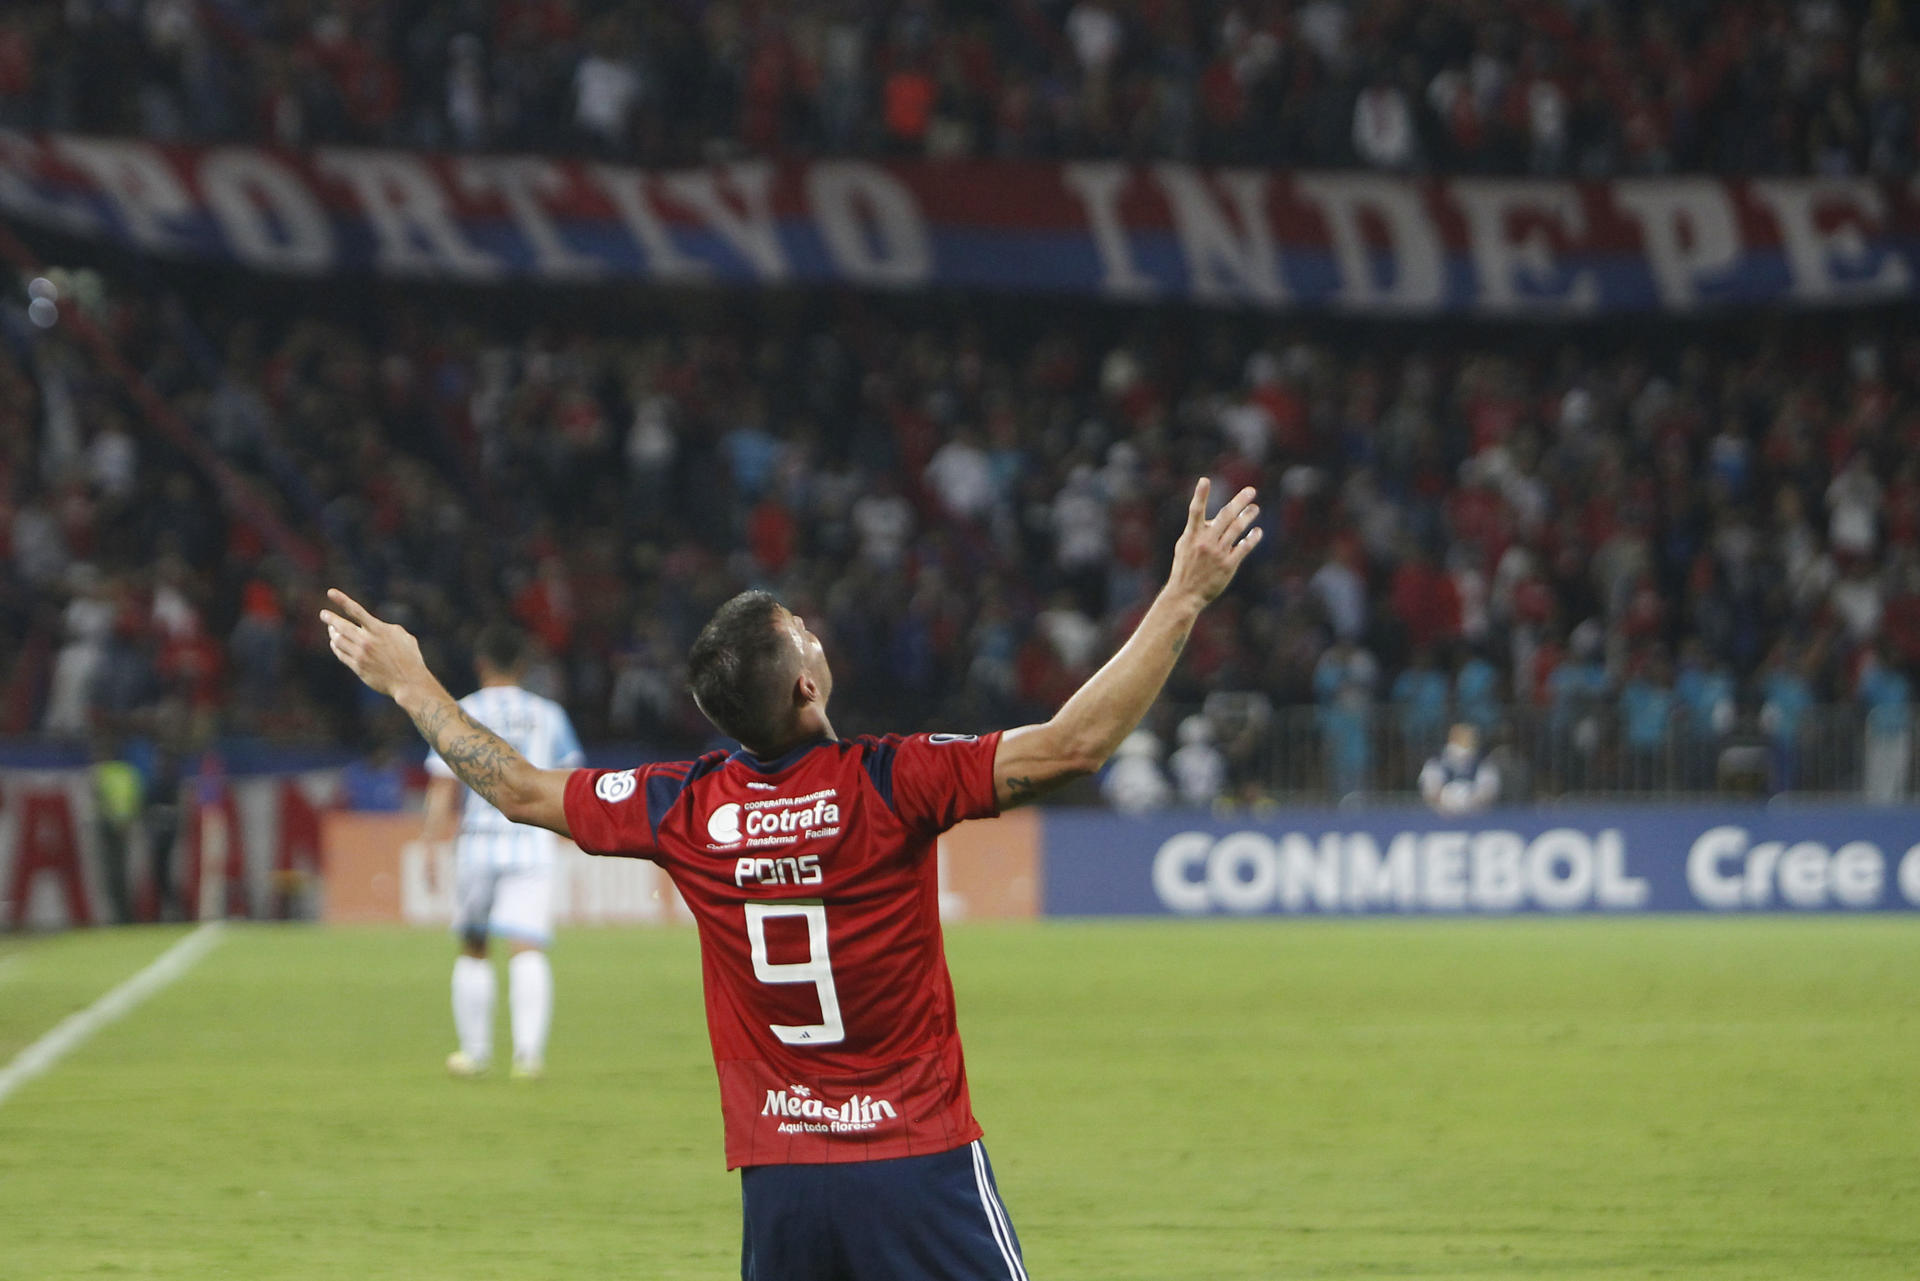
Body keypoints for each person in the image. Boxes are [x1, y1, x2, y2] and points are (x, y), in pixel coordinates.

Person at [320, 478, 1262, 1281]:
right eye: (802, 632)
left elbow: (520, 789)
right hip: (914, 1162)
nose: (814, 635)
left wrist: (412, 684)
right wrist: (1183, 596)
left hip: (780, 1185)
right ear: (807, 688)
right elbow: (1075, 744)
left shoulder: (681, 807)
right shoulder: (891, 783)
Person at [421, 623, 584, 1081]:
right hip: (532, 841)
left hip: (478, 841)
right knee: (526, 947)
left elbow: (440, 788)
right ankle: (528, 1056)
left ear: (480, 664)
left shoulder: (461, 713)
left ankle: (475, 1054)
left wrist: (431, 848)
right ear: (524, 667)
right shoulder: (548, 714)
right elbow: (571, 782)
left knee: (474, 945)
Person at [1419, 722, 1500, 815]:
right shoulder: (1437, 762)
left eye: (1472, 737)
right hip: (1442, 816)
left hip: (1475, 816)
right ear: (1453, 738)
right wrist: (1449, 800)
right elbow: (1430, 791)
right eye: (1464, 737)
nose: (1469, 740)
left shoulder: (1483, 763)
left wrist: (1469, 800)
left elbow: (1488, 792)